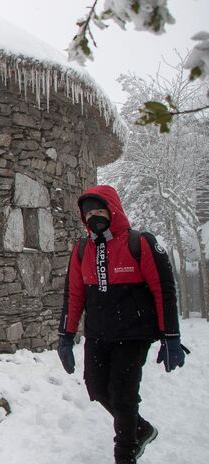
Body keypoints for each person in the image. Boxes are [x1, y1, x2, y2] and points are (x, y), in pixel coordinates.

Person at [56, 184, 187, 464]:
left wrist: (170, 336)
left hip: (133, 335)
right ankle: (141, 429)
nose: (93, 216)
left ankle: (125, 454)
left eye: (99, 209)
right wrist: (65, 337)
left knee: (123, 396)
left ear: (112, 209)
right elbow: (74, 295)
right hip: (98, 335)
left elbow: (163, 291)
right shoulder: (81, 250)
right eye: (88, 212)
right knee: (97, 388)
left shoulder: (140, 243)